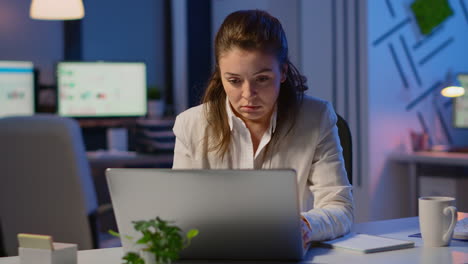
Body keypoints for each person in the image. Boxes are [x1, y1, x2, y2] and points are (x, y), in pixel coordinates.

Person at [172, 9, 353, 246]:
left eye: (262, 79)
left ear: (283, 72)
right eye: (234, 81)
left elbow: (340, 207)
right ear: (220, 75)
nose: (248, 95)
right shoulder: (191, 125)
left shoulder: (316, 117)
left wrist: (306, 225)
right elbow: (179, 214)